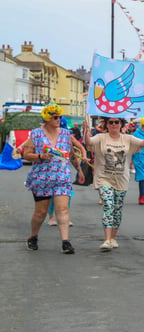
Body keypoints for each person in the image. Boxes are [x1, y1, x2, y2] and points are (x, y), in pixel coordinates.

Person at [83, 115, 144, 251]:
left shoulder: (128, 138)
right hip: (104, 178)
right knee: (108, 206)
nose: (114, 124)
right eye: (111, 122)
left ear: (121, 124)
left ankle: (113, 238)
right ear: (106, 124)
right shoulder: (101, 137)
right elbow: (89, 142)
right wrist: (86, 130)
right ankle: (107, 240)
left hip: (121, 179)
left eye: (117, 122)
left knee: (117, 209)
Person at [22, 103, 85, 254]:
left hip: (62, 176)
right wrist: (40, 156)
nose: (58, 119)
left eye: (60, 117)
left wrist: (80, 171)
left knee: (62, 209)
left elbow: (70, 155)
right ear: (47, 118)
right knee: (41, 212)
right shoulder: (36, 134)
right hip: (42, 177)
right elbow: (26, 155)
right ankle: (33, 236)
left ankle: (65, 242)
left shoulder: (65, 133)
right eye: (55, 117)